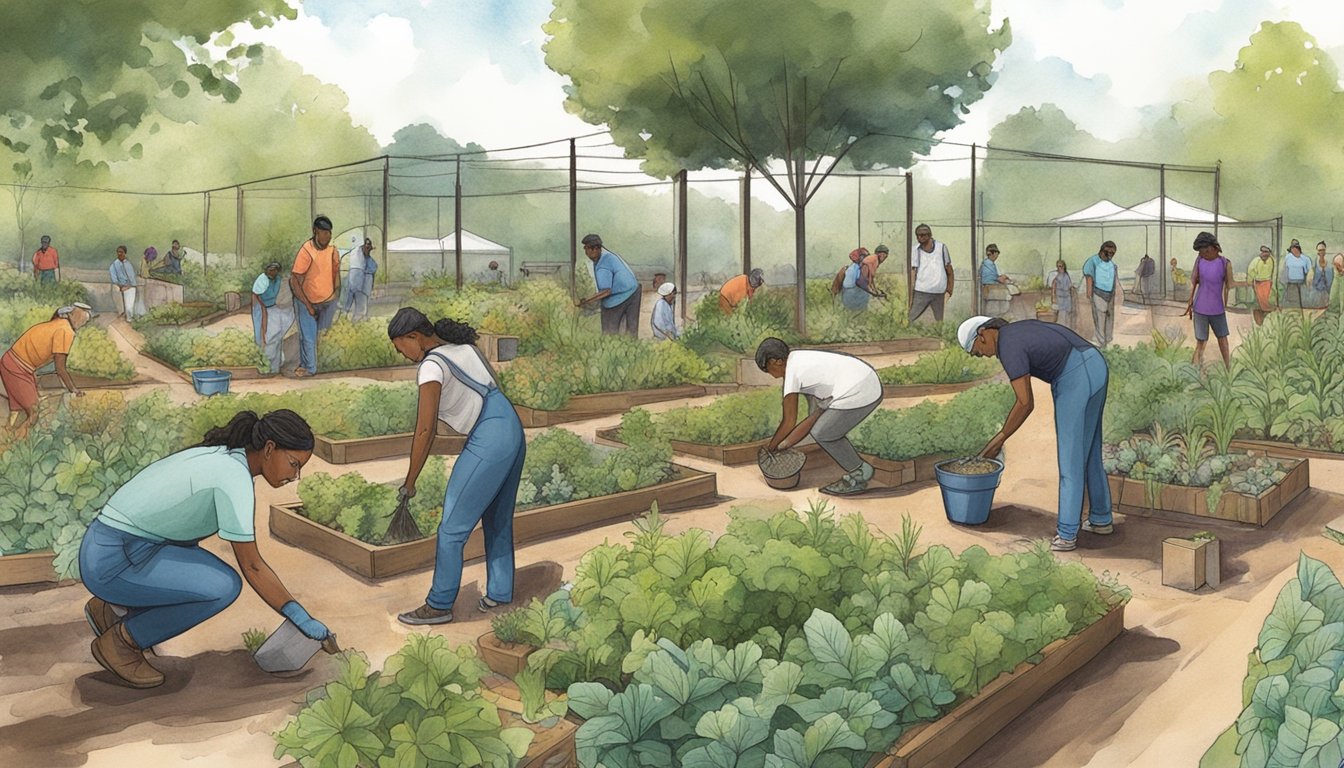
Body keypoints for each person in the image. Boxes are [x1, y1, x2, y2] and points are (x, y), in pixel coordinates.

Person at [77, 409, 329, 689]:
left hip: (108, 549)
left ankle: (115, 610)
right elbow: (253, 566)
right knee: (222, 586)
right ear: (269, 448)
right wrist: (296, 613)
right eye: (294, 464)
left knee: (197, 565)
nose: (295, 476)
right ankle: (121, 642)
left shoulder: (223, 455)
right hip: (113, 562)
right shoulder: (234, 478)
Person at [388, 308, 525, 626]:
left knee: (452, 529)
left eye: (400, 346)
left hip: (490, 437)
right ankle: (500, 593)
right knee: (497, 521)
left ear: (414, 337)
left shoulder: (431, 367)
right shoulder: (465, 349)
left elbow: (425, 430)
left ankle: (439, 605)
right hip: (510, 427)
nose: (401, 354)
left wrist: (410, 480)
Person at [958, 315, 1112, 552]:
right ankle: (1101, 518)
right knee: (1090, 451)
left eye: (978, 351)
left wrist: (998, 440)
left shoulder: (1007, 346)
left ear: (983, 334)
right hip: (1095, 363)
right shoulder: (1017, 330)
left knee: (1070, 459)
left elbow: (1024, 403)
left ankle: (1067, 533)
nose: (985, 355)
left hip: (1074, 377)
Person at [756, 337, 881, 496]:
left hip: (860, 390)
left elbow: (789, 421)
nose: (772, 375)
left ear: (776, 362)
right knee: (816, 418)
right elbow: (815, 415)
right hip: (864, 377)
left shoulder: (793, 374)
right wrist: (785, 444)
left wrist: (772, 447)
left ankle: (860, 472)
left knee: (822, 433)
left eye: (768, 370)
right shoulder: (798, 358)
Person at [0, 303, 91, 433]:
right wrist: (73, 389)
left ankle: (8, 431)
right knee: (34, 411)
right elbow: (60, 368)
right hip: (17, 368)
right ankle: (19, 442)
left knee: (18, 407)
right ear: (79, 319)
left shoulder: (59, 321)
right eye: (84, 321)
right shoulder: (66, 332)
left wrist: (59, 311)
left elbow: (56, 315)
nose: (83, 324)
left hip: (11, 361)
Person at [290, 215, 342, 377]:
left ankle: (309, 364)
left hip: (328, 301)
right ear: (315, 231)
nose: (327, 236)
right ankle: (310, 369)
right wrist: (308, 306)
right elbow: (294, 281)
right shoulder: (306, 251)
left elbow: (336, 274)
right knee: (308, 336)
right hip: (306, 301)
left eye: (329, 233)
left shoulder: (333, 251)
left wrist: (335, 296)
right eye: (324, 232)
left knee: (324, 334)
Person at [1184, 232, 1232, 369]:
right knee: (1201, 341)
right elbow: (1193, 281)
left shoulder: (1225, 263)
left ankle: (1229, 368)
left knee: (1223, 340)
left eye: (1204, 250)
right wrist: (1189, 302)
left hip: (1218, 309)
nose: (1202, 253)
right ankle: (1193, 371)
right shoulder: (1199, 260)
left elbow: (1229, 286)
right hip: (1200, 309)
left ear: (1213, 247)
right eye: (1200, 251)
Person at [577, 233, 640, 336]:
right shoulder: (609, 256)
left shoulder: (602, 266)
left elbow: (606, 291)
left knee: (609, 333)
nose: (585, 252)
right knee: (631, 332)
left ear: (595, 249)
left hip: (620, 296)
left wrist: (586, 301)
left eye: (586, 248)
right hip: (634, 290)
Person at [909, 224, 954, 323]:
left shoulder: (941, 248)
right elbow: (913, 272)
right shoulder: (915, 250)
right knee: (911, 318)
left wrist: (949, 291)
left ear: (929, 235)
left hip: (938, 292)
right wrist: (911, 293)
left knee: (939, 321)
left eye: (923, 235)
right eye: (918, 235)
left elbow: (949, 270)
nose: (920, 238)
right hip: (921, 290)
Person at [1082, 241, 1119, 348]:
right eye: (1109, 253)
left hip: (1110, 294)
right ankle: (1100, 342)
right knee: (1100, 318)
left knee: (1109, 317)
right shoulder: (1093, 261)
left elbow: (1114, 279)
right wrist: (1089, 294)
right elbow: (1089, 277)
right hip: (1098, 293)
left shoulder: (1112, 264)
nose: (1111, 255)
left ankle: (1107, 340)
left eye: (1113, 253)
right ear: (1103, 251)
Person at [252, 262, 285, 374]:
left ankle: (275, 367)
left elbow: (278, 294)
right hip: (262, 307)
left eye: (275, 270)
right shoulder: (262, 279)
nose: (273, 272)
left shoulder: (278, 279)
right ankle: (263, 365)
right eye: (270, 270)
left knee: (275, 335)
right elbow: (259, 296)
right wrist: (264, 309)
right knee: (261, 334)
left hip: (274, 307)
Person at [341, 238, 376, 321]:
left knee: (361, 310)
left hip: (363, 288)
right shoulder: (355, 256)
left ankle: (357, 322)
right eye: (365, 245)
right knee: (346, 305)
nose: (367, 247)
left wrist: (370, 288)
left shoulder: (371, 262)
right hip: (354, 283)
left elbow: (371, 275)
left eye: (369, 245)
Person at [1247, 245, 1276, 326]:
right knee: (1259, 299)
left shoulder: (1271, 260)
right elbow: (1251, 271)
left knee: (1266, 298)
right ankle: (1259, 320)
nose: (1265, 255)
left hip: (1267, 282)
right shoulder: (1256, 261)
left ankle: (1265, 315)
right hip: (1258, 282)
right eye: (1264, 253)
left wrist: (1272, 281)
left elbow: (1273, 271)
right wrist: (1250, 280)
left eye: (1267, 253)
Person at [109, 245, 139, 320]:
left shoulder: (128, 264)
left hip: (130, 286)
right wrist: (121, 286)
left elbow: (132, 279)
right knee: (115, 289)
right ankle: (121, 312)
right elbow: (114, 279)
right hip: (120, 286)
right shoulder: (114, 265)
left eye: (121, 252)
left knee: (129, 307)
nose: (120, 254)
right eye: (118, 252)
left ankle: (130, 318)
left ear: (125, 253)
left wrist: (128, 286)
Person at [1047, 260, 1076, 329]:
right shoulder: (1057, 277)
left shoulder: (1066, 275)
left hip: (1067, 298)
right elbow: (1053, 287)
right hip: (1060, 298)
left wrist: (1073, 288)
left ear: (1064, 266)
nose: (1060, 268)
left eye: (1061, 266)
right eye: (1058, 266)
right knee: (1061, 316)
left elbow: (1069, 285)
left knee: (1068, 316)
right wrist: (1053, 298)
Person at [1283, 240, 1311, 311]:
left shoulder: (1305, 259)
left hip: (1302, 283)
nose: (1294, 250)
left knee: (1303, 302)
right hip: (1291, 283)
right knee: (1292, 302)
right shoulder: (1287, 257)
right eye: (1292, 248)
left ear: (1299, 249)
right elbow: (1284, 269)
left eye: (1296, 248)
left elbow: (1309, 272)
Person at [1313, 242, 1333, 308]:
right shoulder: (1314, 262)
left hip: (1326, 290)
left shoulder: (1329, 263)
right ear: (1317, 251)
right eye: (1320, 250)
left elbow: (1330, 278)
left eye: (1323, 250)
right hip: (1316, 290)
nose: (1321, 252)